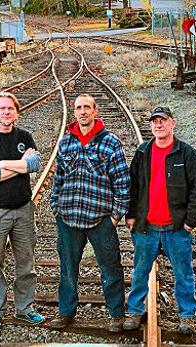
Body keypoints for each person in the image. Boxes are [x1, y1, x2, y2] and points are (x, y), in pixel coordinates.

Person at [48, 94, 130, 333]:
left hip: (100, 219)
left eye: (87, 107)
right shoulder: (66, 143)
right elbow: (58, 179)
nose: (82, 111)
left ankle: (116, 314)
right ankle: (66, 312)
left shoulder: (110, 142)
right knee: (67, 269)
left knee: (110, 268)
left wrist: (115, 215)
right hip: (69, 218)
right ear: (74, 113)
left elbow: (123, 183)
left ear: (95, 111)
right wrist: (56, 207)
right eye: (78, 108)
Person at [123, 106, 196, 335]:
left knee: (183, 273)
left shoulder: (186, 153)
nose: (158, 125)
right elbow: (133, 186)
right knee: (140, 271)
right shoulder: (143, 152)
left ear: (173, 123)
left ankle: (187, 315)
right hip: (146, 227)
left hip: (176, 228)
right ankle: (134, 311)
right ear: (151, 125)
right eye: (154, 122)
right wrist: (131, 215)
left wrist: (190, 220)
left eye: (163, 121)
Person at [0, 92, 44, 329]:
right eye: (2, 109)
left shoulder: (25, 136)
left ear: (16, 112)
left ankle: (25, 309)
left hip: (23, 210)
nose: (6, 113)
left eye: (10, 109)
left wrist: (3, 163)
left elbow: (35, 164)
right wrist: (21, 166)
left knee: (26, 262)